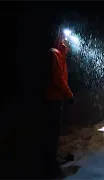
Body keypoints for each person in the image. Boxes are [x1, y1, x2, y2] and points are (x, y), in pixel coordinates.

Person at [43, 30, 75, 179]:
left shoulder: (59, 54)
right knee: (51, 132)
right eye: (64, 40)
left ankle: (53, 159)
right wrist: (69, 94)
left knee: (54, 131)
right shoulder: (53, 54)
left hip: (55, 99)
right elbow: (58, 78)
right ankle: (50, 166)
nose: (66, 43)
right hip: (51, 100)